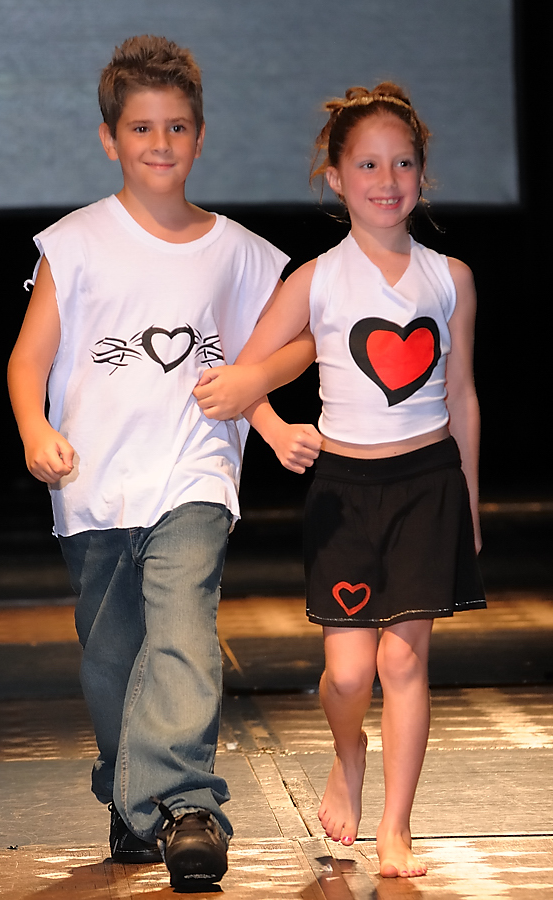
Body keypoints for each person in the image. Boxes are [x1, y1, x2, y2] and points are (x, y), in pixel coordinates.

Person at [6, 34, 299, 889]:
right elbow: (27, 360)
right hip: (93, 486)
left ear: (200, 137)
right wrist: (33, 430)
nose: (160, 143)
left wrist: (260, 397)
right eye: (141, 128)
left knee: (183, 634)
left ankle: (186, 806)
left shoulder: (237, 251)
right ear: (110, 139)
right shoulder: (74, 243)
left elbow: (291, 339)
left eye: (177, 127)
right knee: (112, 659)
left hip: (194, 476)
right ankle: (132, 798)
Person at [194, 82, 486, 879]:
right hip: (346, 496)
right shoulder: (315, 279)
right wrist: (274, 428)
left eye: (403, 163)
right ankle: (347, 749)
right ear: (334, 176)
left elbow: (462, 394)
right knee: (350, 674)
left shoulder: (450, 277)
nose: (387, 180)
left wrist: (469, 499)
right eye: (367, 164)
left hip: (427, 484)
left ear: (422, 173)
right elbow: (242, 374)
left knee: (404, 663)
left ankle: (397, 828)